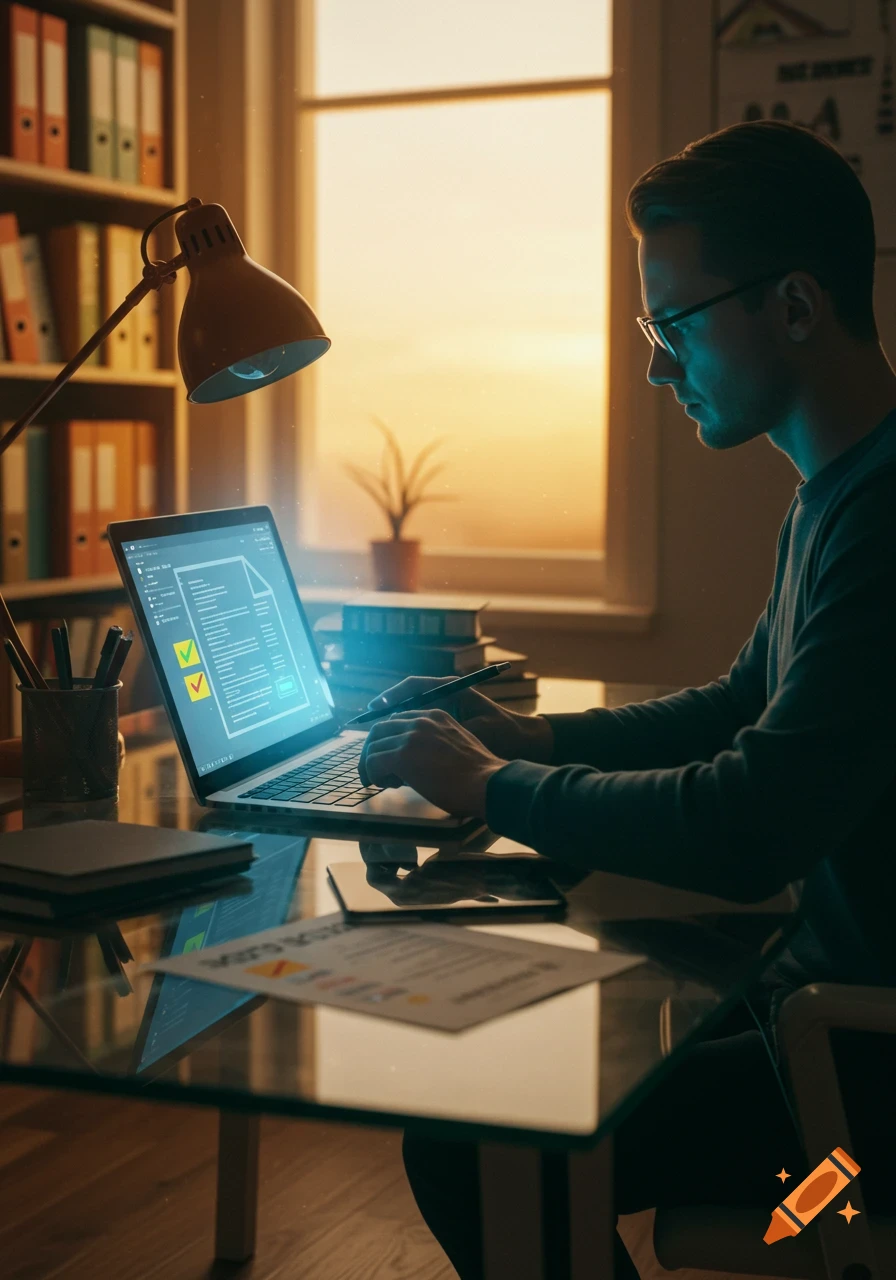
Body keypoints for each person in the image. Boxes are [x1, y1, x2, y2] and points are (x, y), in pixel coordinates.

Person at [358, 120, 896, 1278]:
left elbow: (748, 822)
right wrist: (526, 736)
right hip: (811, 1033)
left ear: (793, 306)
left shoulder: (884, 518)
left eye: (674, 324)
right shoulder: (838, 493)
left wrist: (492, 783)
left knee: (473, 1142)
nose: (656, 365)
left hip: (856, 1148)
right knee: (528, 1062)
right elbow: (732, 707)